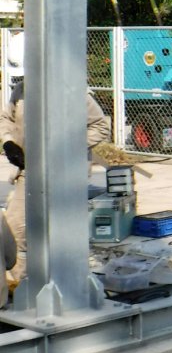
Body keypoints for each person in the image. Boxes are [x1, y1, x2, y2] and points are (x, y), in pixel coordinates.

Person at [0, 80, 111, 284]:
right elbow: (6, 118)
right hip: (29, 171)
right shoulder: (23, 89)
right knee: (16, 228)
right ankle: (24, 284)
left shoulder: (71, 89)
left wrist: (69, 146)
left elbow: (100, 126)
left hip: (64, 175)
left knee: (60, 231)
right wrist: (8, 141)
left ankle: (68, 284)